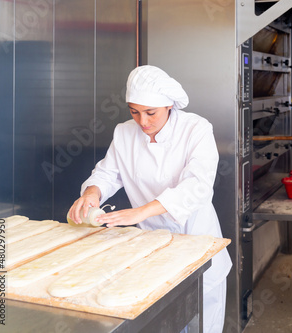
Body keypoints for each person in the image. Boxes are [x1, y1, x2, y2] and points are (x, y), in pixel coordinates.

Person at [68, 65, 232, 332]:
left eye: (150, 113)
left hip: (197, 239)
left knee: (202, 322)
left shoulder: (196, 129)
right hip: (151, 246)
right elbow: (108, 173)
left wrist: (140, 212)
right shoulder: (124, 133)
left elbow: (198, 186)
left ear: (168, 105)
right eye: (134, 112)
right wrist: (91, 193)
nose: (142, 121)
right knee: (164, 320)